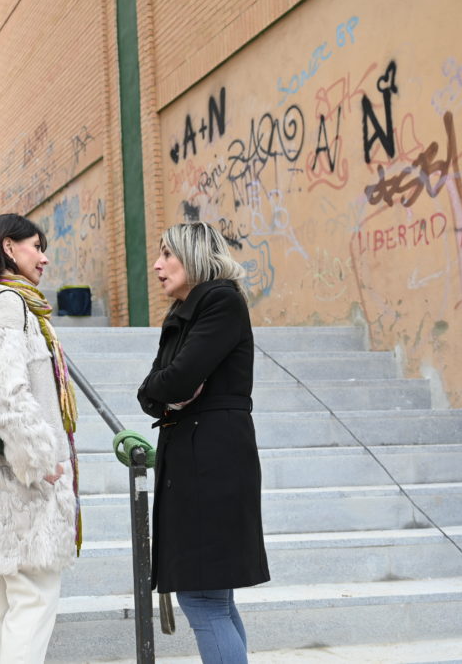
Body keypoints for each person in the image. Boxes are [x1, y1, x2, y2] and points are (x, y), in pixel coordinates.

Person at [136, 221, 270, 664]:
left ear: (194, 256)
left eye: (167, 254)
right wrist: (169, 396)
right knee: (214, 599)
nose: (157, 265)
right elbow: (152, 393)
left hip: (210, 463)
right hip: (197, 459)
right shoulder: (183, 313)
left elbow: (178, 379)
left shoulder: (219, 302)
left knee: (203, 599)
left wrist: (170, 392)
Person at [0, 213, 81, 664]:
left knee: (11, 600)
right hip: (21, 479)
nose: (44, 257)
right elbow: (4, 394)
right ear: (9, 247)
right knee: (34, 597)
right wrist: (41, 459)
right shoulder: (7, 303)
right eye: (35, 246)